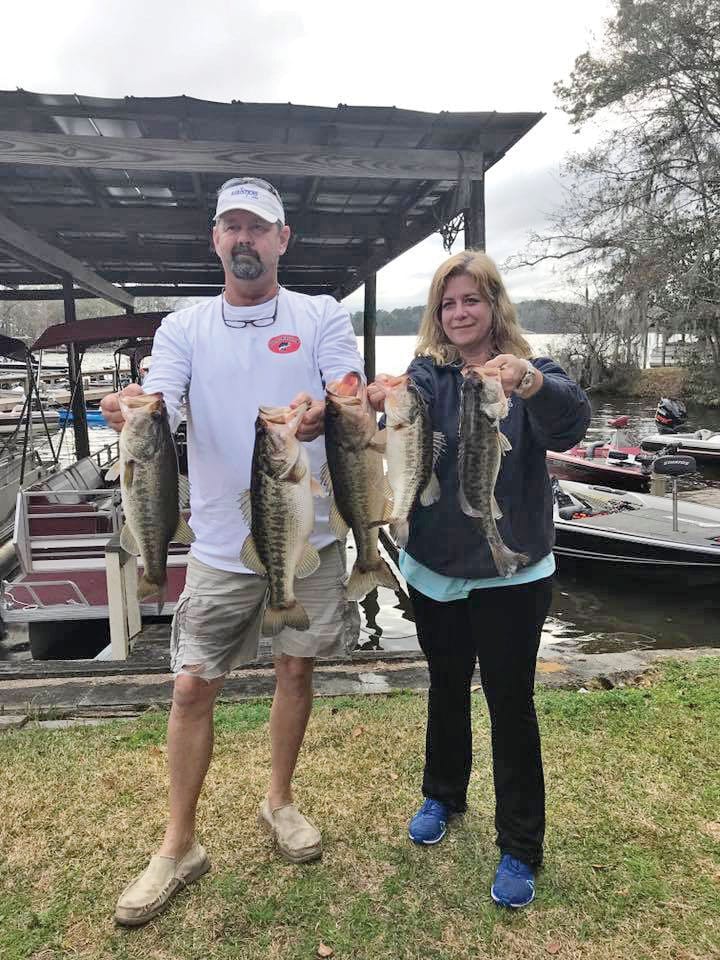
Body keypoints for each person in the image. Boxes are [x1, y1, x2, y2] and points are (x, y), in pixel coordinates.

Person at [103, 176, 363, 927]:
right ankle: (178, 844)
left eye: (259, 228)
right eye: (232, 228)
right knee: (190, 686)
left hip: (306, 536)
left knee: (296, 667)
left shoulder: (319, 314)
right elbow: (163, 397)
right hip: (217, 542)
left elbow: (344, 385)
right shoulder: (183, 329)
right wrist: (129, 408)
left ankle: (278, 800)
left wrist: (328, 406)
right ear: (215, 240)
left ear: (284, 240)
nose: (244, 239)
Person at [368, 250, 591, 909]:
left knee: (511, 705)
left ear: (496, 306)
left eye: (472, 300)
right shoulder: (428, 375)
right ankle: (443, 793)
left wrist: (526, 383)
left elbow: (570, 423)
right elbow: (396, 436)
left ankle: (520, 845)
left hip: (512, 574)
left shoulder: (525, 371)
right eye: (448, 303)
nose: (460, 313)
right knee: (444, 687)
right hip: (435, 569)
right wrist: (377, 403)